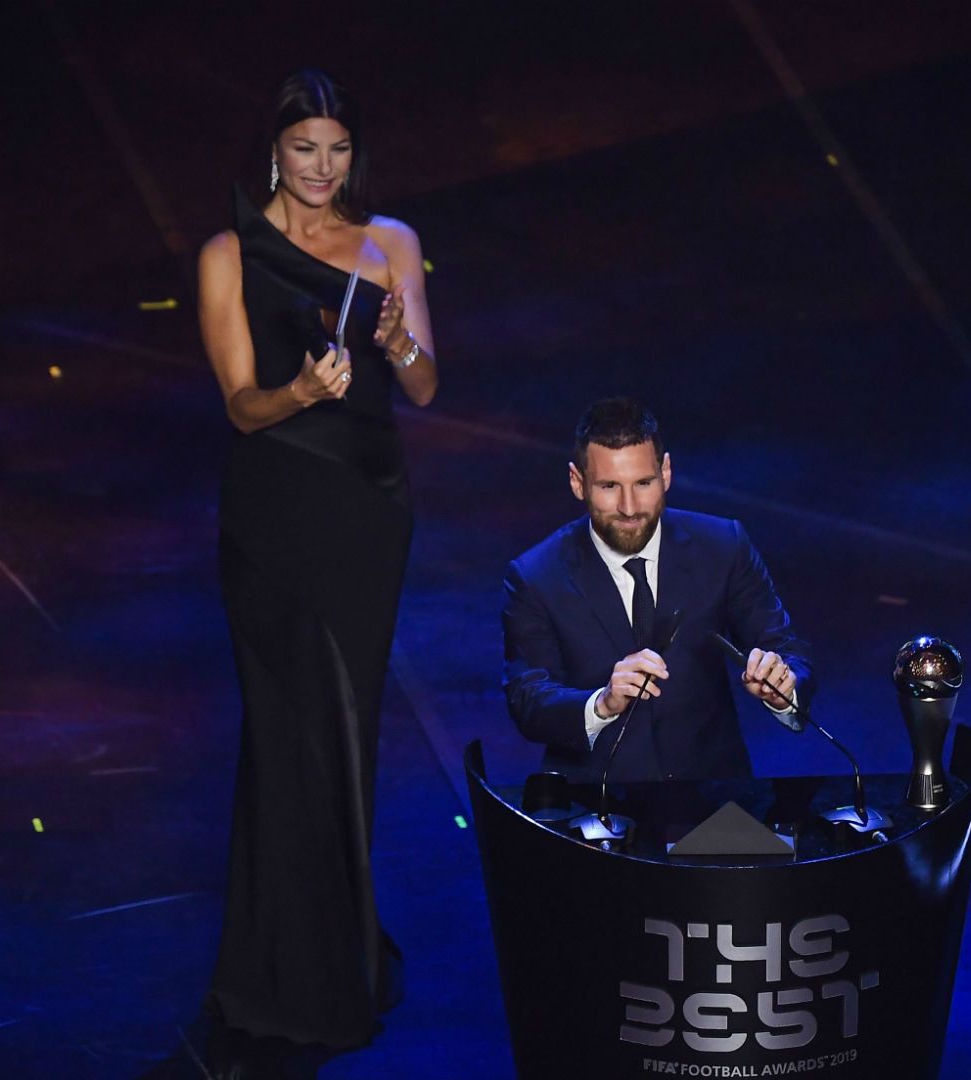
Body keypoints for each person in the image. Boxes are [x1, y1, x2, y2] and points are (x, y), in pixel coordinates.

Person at [193, 68, 438, 1066]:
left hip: (367, 521)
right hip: (275, 521)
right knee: (288, 737)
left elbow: (424, 388)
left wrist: (399, 341)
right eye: (305, 150)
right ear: (275, 151)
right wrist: (298, 391)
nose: (322, 168)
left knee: (347, 740)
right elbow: (240, 406)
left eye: (337, 150)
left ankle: (338, 956)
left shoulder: (392, 243)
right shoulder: (227, 254)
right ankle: (278, 973)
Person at [502, 398, 812, 784]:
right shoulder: (535, 575)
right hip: (595, 799)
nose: (630, 507)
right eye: (609, 486)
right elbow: (528, 699)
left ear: (665, 472)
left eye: (643, 483)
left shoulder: (724, 546)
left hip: (714, 793)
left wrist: (783, 688)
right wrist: (602, 703)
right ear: (577, 482)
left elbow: (786, 650)